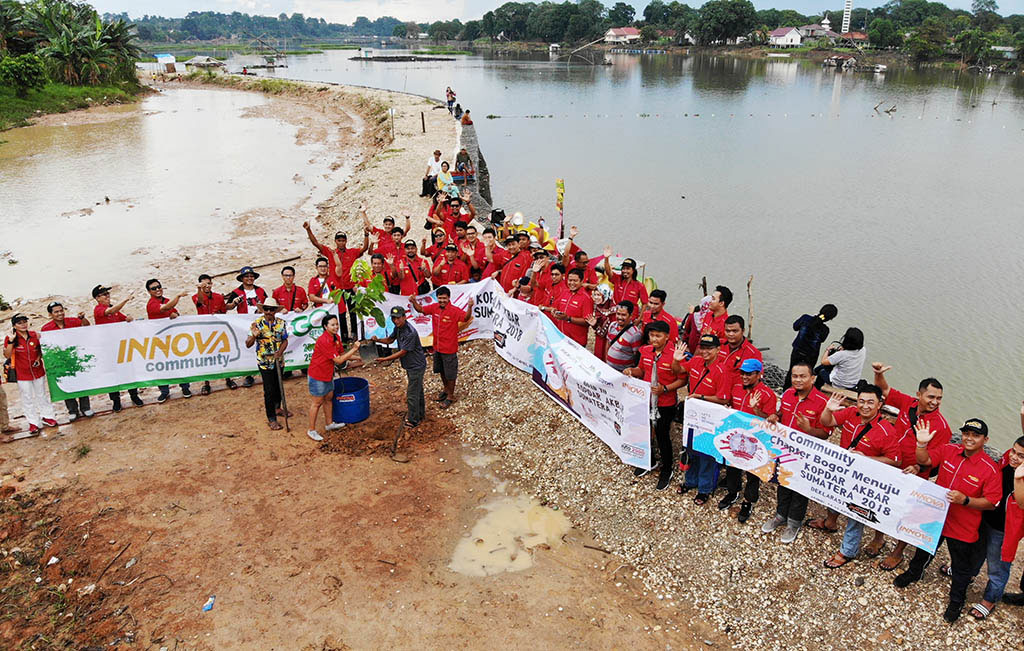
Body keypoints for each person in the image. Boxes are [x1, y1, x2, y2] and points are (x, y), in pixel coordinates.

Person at [894, 418, 1002, 623]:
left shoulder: (989, 469)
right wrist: (922, 444)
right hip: (936, 516)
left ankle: (956, 600)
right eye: (966, 433)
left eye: (976, 435)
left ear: (985, 440)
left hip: (963, 525)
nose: (969, 438)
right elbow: (925, 461)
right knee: (924, 548)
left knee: (961, 566)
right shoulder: (949, 450)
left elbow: (992, 502)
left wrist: (966, 500)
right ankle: (915, 573)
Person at [869, 363, 953, 570]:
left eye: (939, 398)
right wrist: (878, 374)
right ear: (919, 394)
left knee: (907, 513)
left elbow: (936, 459)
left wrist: (918, 467)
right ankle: (878, 538)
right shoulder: (908, 404)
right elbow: (885, 391)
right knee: (882, 501)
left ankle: (898, 551)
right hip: (891, 463)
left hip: (914, 475)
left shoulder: (942, 427)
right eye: (930, 397)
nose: (935, 402)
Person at [819, 383, 901, 568]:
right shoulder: (850, 414)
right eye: (861, 401)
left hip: (866, 481)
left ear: (879, 404)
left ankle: (847, 551)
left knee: (856, 512)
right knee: (833, 495)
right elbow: (826, 422)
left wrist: (867, 459)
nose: (865, 406)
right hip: (843, 472)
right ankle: (830, 522)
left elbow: (895, 460)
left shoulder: (887, 430)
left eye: (870, 402)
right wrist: (828, 409)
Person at [761, 361, 828, 544]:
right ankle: (780, 515)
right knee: (782, 481)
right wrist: (776, 416)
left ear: (812, 378)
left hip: (806, 456)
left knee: (799, 488)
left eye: (802, 376)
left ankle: (794, 522)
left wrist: (809, 429)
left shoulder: (822, 402)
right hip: (784, 450)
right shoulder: (788, 394)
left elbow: (825, 433)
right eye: (794, 376)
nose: (797, 380)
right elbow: (783, 414)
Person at [623, 320, 683, 491]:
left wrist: (665, 388)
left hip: (666, 403)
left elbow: (682, 379)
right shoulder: (646, 351)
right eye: (651, 335)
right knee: (644, 430)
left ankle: (667, 469)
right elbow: (641, 371)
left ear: (667, 337)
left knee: (663, 435)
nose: (654, 339)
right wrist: (631, 371)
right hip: (645, 400)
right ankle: (649, 461)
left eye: (658, 336)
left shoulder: (674, 354)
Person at [969, 434, 1024, 619]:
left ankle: (990, 599)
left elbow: (1021, 504)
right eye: (1014, 451)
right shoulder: (1008, 458)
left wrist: (1018, 479)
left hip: (1004, 530)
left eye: (1021, 456)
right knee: (976, 550)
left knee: (998, 566)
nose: (1014, 457)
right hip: (986, 516)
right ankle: (968, 573)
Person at [674, 334, 730, 504]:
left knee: (707, 454)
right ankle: (690, 481)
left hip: (711, 419)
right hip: (693, 416)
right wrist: (676, 360)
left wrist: (700, 397)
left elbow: (724, 399)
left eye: (709, 348)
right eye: (703, 348)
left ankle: (705, 489)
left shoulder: (722, 371)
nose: (705, 351)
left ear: (718, 350)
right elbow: (678, 370)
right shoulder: (696, 361)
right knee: (691, 449)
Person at [720, 359, 776, 521]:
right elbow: (730, 404)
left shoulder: (768, 395)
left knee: (753, 472)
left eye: (749, 374)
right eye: (742, 373)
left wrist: (756, 408)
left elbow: (770, 422)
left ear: (759, 374)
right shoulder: (736, 387)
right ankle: (733, 492)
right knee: (732, 466)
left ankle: (749, 501)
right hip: (735, 437)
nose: (744, 377)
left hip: (755, 441)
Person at [410, 288, 472, 409]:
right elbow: (421, 309)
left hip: (449, 348)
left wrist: (469, 307)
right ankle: (446, 390)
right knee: (441, 370)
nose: (442, 300)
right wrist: (413, 301)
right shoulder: (434, 308)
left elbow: (465, 318)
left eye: (444, 298)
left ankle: (450, 396)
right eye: (440, 298)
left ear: (449, 298)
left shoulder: (454, 311)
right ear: (437, 298)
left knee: (450, 373)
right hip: (437, 347)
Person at [303, 223, 368, 340]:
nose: (341, 242)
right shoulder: (331, 252)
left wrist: (366, 235)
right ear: (335, 241)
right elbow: (315, 243)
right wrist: (308, 229)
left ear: (346, 241)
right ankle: (343, 335)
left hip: (350, 286)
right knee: (340, 313)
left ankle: (355, 333)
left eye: (343, 240)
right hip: (336, 288)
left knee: (353, 311)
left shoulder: (352, 252)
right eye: (339, 240)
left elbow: (364, 248)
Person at [306, 314, 360, 442]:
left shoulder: (336, 337)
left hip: (328, 374)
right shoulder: (324, 340)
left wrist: (358, 357)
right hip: (318, 375)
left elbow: (342, 353)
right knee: (317, 402)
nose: (336, 327)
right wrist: (354, 349)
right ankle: (311, 430)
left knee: (328, 398)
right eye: (332, 325)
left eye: (337, 324)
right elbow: (339, 360)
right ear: (325, 327)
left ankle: (329, 424)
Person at [373, 306, 427, 427]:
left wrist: (385, 359)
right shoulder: (398, 328)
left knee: (412, 394)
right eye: (393, 318)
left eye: (398, 318)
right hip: (410, 365)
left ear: (404, 317)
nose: (396, 321)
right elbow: (390, 339)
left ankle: (413, 420)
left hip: (416, 366)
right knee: (418, 390)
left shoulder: (410, 332)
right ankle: (420, 414)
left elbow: (403, 352)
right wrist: (378, 340)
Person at [3, 314, 58, 435]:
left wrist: (38, 358)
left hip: (38, 371)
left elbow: (40, 350)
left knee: (42, 394)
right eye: (19, 323)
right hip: (22, 374)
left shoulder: (34, 335)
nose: (23, 325)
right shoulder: (11, 338)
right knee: (27, 398)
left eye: (24, 322)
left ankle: (47, 416)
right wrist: (11, 341)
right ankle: (33, 422)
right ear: (14, 325)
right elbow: (6, 355)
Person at [92, 284, 143, 411]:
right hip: (108, 348)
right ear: (97, 298)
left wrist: (129, 318)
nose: (107, 296)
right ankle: (116, 400)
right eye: (104, 295)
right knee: (112, 374)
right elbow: (111, 311)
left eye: (108, 294)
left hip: (121, 346)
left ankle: (134, 395)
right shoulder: (98, 310)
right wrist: (125, 300)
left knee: (129, 370)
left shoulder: (114, 310)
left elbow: (123, 318)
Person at [41, 301, 94, 420]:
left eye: (61, 310)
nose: (60, 313)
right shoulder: (46, 328)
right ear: (50, 314)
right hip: (61, 361)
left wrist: (83, 318)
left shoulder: (73, 321)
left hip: (76, 358)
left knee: (81, 382)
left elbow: (86, 327)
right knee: (66, 384)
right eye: (56, 312)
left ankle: (85, 407)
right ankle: (72, 410)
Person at [244, 297, 289, 431]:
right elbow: (248, 344)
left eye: (271, 309)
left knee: (278, 386)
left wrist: (279, 352)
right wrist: (254, 335)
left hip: (278, 360)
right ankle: (271, 418)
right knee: (269, 390)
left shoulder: (281, 323)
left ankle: (277, 408)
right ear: (263, 310)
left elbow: (285, 340)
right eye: (266, 309)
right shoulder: (256, 324)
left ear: (275, 311)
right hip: (264, 362)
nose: (269, 312)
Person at [145, 278, 193, 402]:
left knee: (179, 364)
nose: (157, 290)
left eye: (159, 287)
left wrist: (175, 315)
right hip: (160, 340)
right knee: (162, 367)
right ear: (149, 292)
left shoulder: (167, 300)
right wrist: (178, 296)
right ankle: (164, 391)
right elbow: (166, 308)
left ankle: (185, 387)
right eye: (153, 288)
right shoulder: (151, 304)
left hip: (173, 338)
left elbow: (176, 313)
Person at [226, 266, 267, 389]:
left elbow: (267, 303)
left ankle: (264, 371)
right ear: (242, 278)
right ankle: (249, 375)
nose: (249, 278)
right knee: (247, 348)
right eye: (247, 276)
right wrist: (234, 303)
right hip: (244, 324)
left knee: (264, 346)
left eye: (251, 276)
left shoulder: (260, 290)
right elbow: (227, 307)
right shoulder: (236, 292)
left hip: (260, 322)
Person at [192, 274, 230, 395]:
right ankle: (206, 383)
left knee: (223, 354)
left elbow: (224, 311)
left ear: (211, 284)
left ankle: (228, 378)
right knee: (205, 356)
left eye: (208, 283)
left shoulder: (219, 297)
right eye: (204, 284)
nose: (207, 286)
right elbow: (200, 302)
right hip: (204, 331)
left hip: (218, 330)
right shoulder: (195, 296)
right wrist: (199, 289)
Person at [788, 305, 838, 388]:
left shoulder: (805, 318)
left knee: (792, 372)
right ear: (830, 318)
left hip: (797, 351)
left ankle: (785, 392)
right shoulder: (825, 330)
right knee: (806, 375)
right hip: (811, 356)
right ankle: (801, 392)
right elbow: (822, 340)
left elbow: (795, 327)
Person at [551, 269, 594, 348]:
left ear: (581, 282)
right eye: (570, 280)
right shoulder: (565, 292)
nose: (572, 283)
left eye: (575, 281)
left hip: (576, 342)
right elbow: (555, 307)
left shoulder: (586, 298)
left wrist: (568, 318)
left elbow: (587, 322)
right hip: (561, 337)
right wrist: (554, 311)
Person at [720, 315, 762, 393]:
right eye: (727, 331)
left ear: (743, 331)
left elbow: (756, 379)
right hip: (715, 389)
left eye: (735, 331)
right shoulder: (718, 345)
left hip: (735, 393)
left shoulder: (753, 353)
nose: (731, 334)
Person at [604, 301, 643, 372]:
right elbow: (608, 344)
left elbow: (637, 357)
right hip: (609, 368)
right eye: (618, 314)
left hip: (622, 374)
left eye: (623, 315)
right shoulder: (612, 326)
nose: (620, 317)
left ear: (631, 315)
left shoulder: (635, 334)